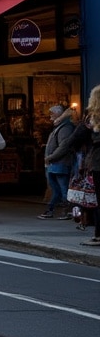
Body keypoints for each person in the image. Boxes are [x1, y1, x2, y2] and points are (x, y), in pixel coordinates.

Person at [69, 85, 100, 246]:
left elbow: (75, 138)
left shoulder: (92, 119)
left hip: (97, 162)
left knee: (98, 201)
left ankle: (98, 236)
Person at [39, 105, 76, 219]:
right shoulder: (60, 127)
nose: (50, 116)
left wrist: (51, 157)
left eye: (52, 113)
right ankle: (50, 210)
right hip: (55, 164)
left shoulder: (65, 128)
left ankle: (66, 211)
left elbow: (64, 146)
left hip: (60, 163)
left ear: (59, 114)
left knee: (62, 188)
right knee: (56, 189)